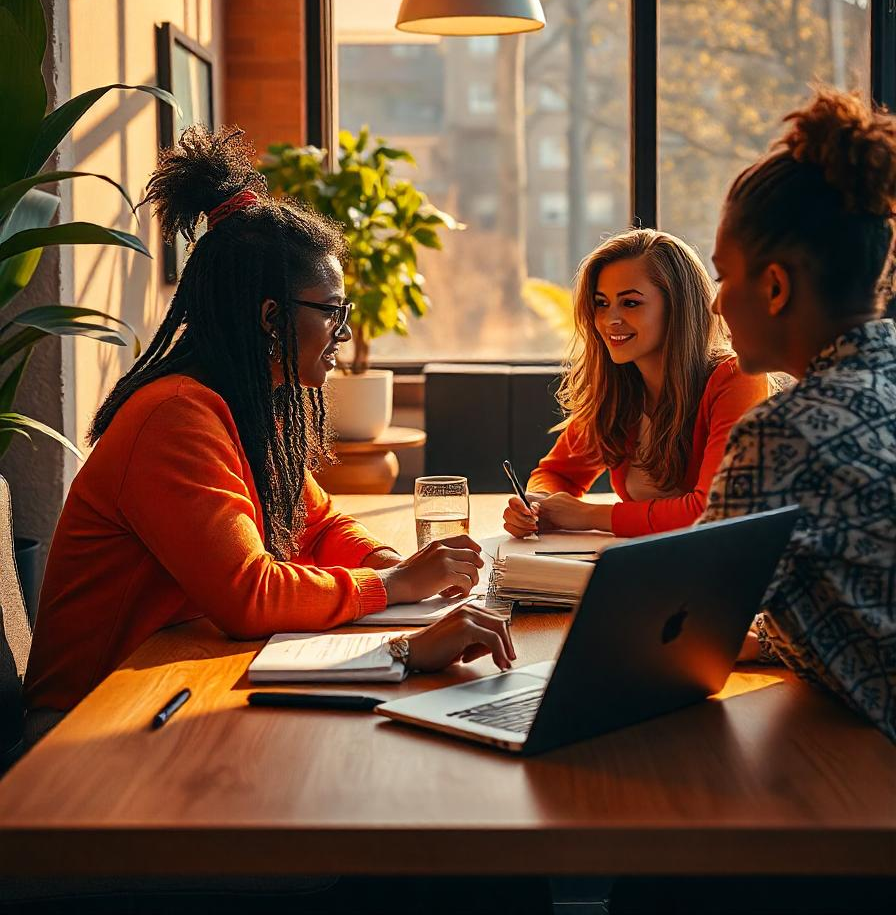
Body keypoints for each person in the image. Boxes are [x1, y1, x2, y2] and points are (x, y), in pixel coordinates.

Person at [25, 126, 512, 733]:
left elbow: (319, 520)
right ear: (272, 318)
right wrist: (394, 585)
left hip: (176, 678)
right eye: (332, 311)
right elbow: (248, 596)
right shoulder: (174, 416)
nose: (345, 333)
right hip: (90, 717)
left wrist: (398, 569)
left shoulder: (253, 405)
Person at [700, 86, 896, 742]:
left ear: (776, 286)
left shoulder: (782, 435)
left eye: (724, 276)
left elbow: (680, 632)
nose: (719, 305)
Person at [503, 229, 769, 539]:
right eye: (601, 303)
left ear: (678, 306)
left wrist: (589, 515)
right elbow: (557, 473)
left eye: (630, 303)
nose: (609, 319)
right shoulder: (617, 389)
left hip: (721, 567)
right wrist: (537, 505)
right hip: (642, 564)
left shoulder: (738, 378)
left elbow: (711, 510)